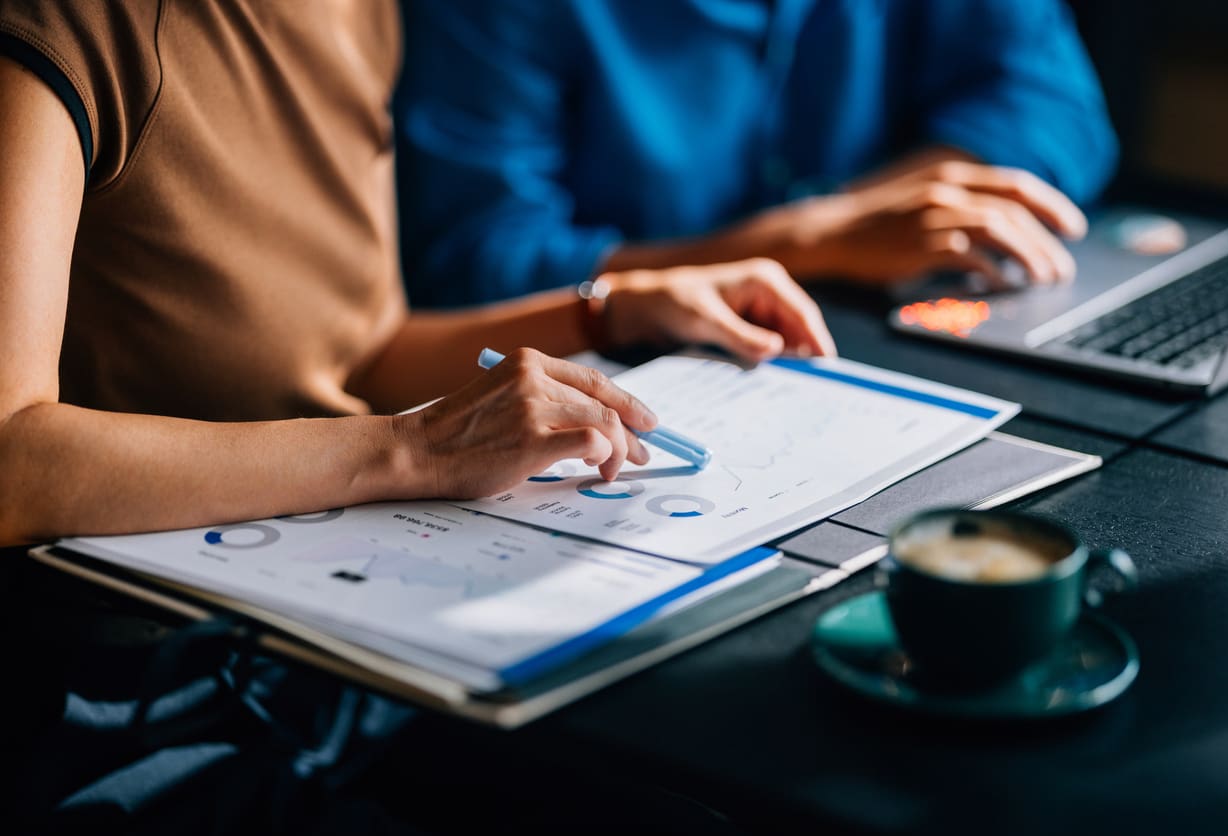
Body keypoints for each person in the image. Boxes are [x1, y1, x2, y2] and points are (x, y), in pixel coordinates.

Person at [0, 2, 832, 832]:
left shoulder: (354, 13)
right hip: (129, 700)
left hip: (324, 659)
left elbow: (361, 350)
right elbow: (12, 460)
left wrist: (608, 312)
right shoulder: (61, 26)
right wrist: (409, 448)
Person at [394, 0, 1120, 307]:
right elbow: (476, 262)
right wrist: (806, 242)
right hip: (629, 368)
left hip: (885, 316)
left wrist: (848, 221)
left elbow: (1054, 111)